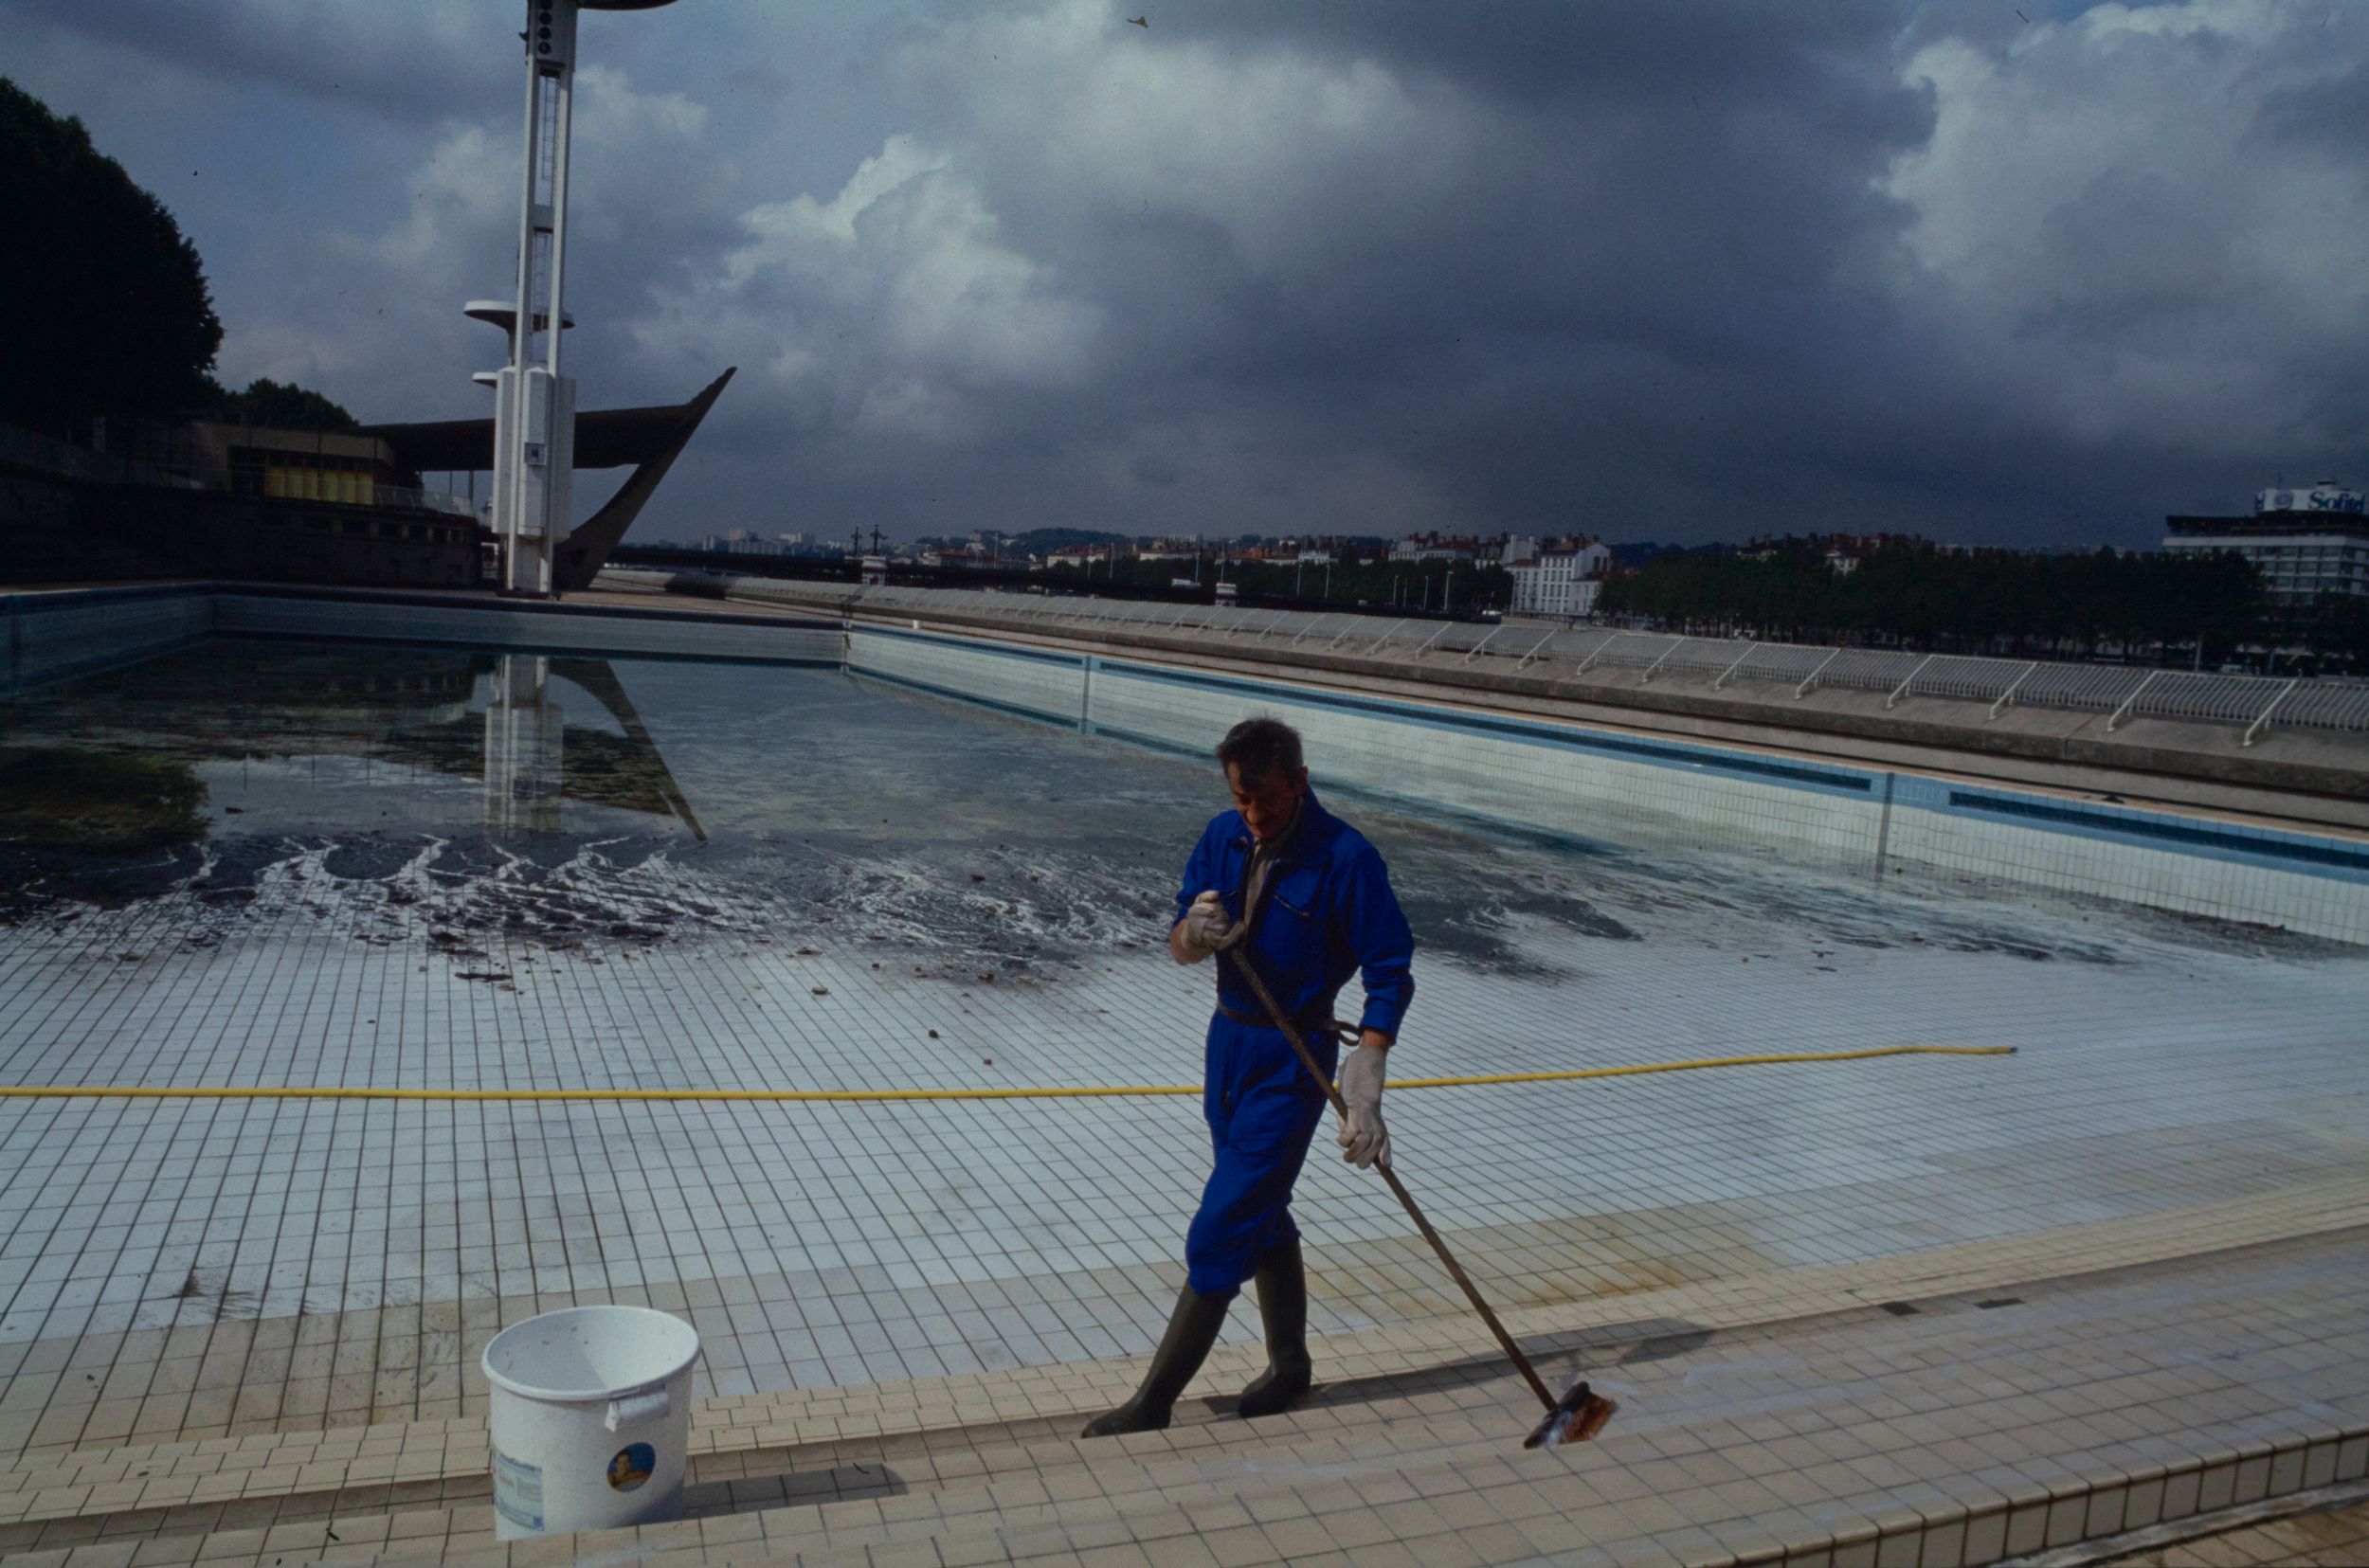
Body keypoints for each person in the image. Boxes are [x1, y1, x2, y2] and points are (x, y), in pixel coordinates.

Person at [1082, 715, 1415, 1436]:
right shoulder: (1222, 837)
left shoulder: (1346, 859)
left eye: (1266, 798)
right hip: (1228, 1044)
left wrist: (1369, 1067)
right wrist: (1191, 936)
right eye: (1242, 799)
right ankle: (1291, 1365)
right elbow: (1178, 940)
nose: (1254, 814)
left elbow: (1390, 967)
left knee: (1220, 1227)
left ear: (1299, 780)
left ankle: (1153, 1403)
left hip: (1293, 1060)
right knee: (1262, 1210)